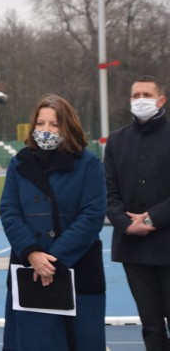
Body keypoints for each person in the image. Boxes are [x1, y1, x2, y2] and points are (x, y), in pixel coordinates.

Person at [0, 94, 107, 351]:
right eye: (40, 123)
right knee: (34, 342)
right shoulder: (19, 163)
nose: (46, 130)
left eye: (54, 124)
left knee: (80, 342)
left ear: (67, 126)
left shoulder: (88, 163)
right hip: (30, 272)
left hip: (78, 271)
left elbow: (92, 216)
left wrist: (54, 259)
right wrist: (32, 253)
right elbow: (9, 212)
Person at [104, 75, 170, 350]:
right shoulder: (117, 140)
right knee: (151, 324)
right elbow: (109, 192)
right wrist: (125, 223)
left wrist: (153, 218)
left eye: (146, 94)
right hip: (133, 247)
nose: (140, 99)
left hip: (167, 243)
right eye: (135, 95)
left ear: (161, 100)